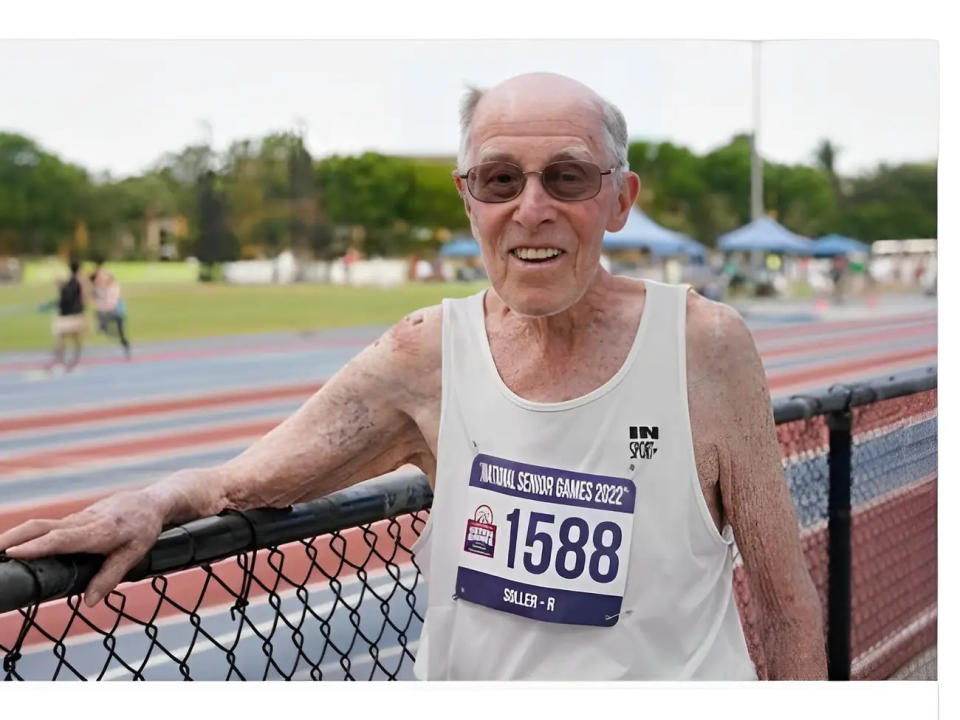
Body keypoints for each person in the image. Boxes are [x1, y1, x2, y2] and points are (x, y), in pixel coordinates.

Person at [0, 73, 826, 680]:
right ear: (470, 201)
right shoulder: (430, 352)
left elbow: (787, 606)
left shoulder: (704, 345)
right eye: (501, 179)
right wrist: (154, 500)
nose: (531, 206)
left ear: (619, 199)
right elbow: (242, 481)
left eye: (567, 177)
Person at [46, 257, 90, 373]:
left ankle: (60, 361)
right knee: (76, 339)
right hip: (76, 315)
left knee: (60, 339)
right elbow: (85, 295)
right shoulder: (79, 281)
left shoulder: (69, 283)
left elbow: (62, 291)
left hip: (65, 315)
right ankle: (73, 361)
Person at [90, 259, 132, 359]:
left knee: (119, 329)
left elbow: (112, 301)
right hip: (112, 308)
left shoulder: (112, 286)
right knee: (107, 322)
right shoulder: (101, 287)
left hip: (116, 309)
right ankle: (107, 330)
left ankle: (122, 341)